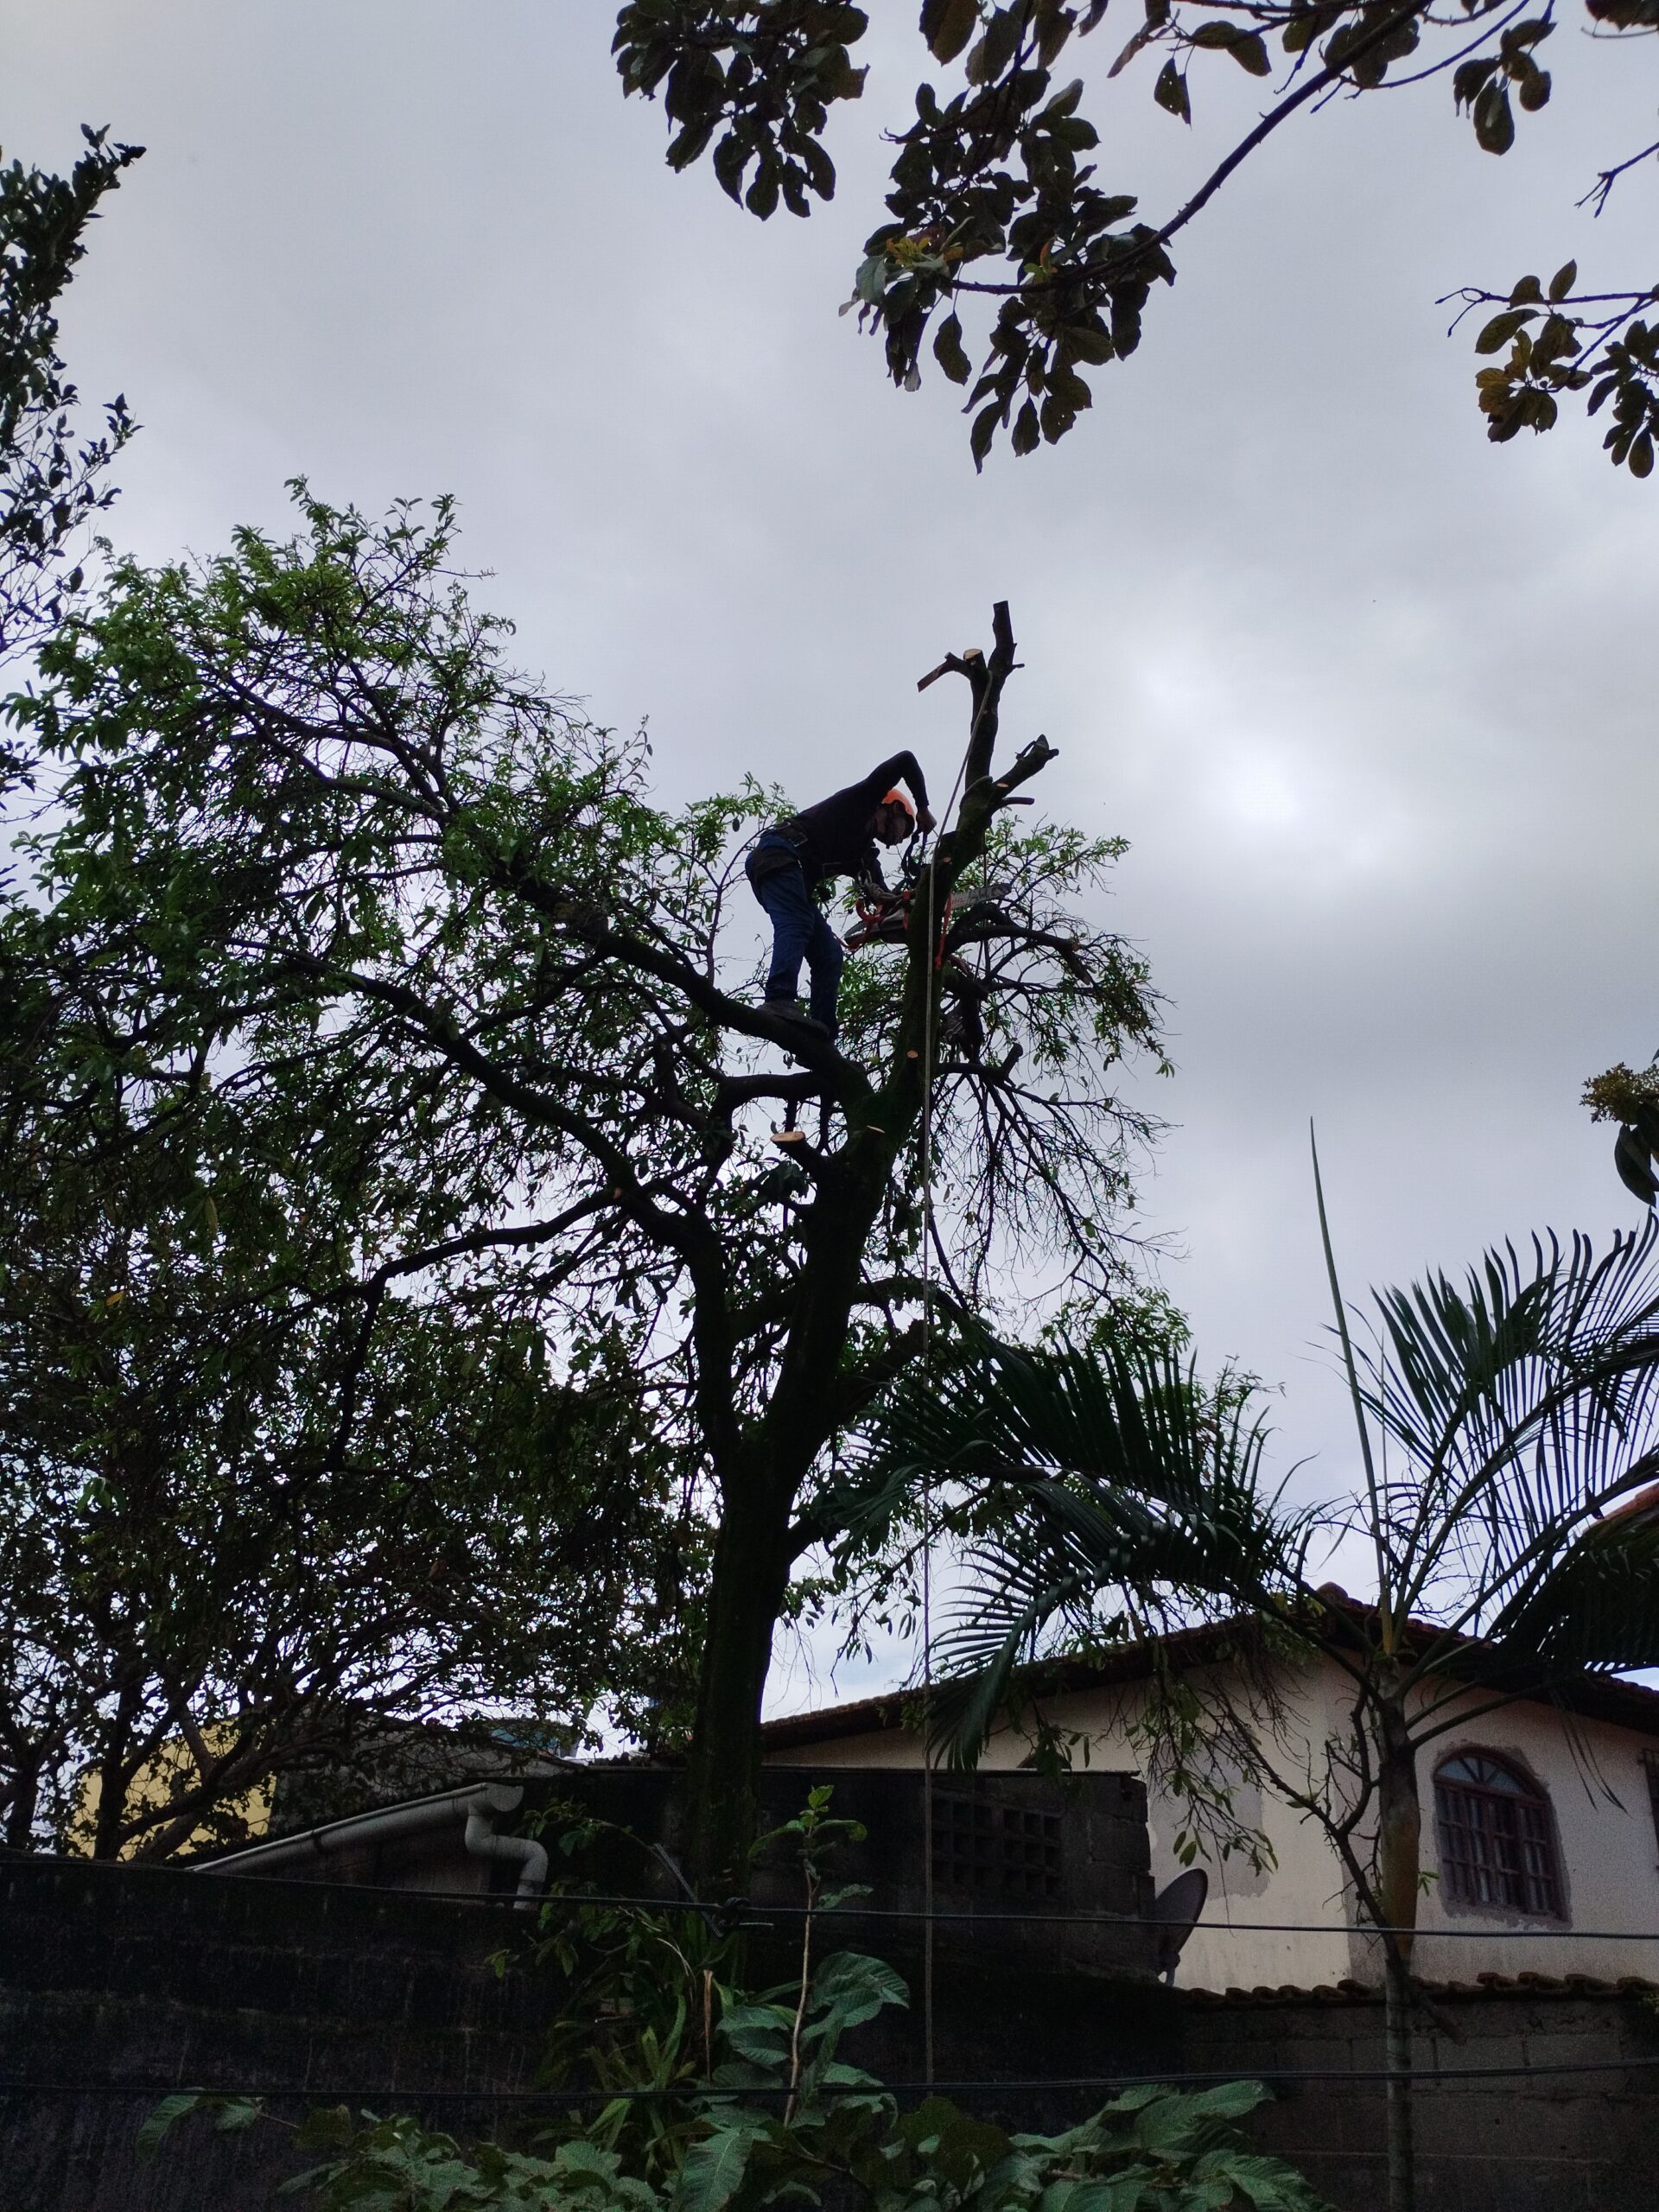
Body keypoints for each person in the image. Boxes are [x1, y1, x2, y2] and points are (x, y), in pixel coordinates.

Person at [747, 753, 937, 1040]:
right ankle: (779, 998)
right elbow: (906, 760)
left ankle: (820, 1034)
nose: (901, 837)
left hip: (789, 873)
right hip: (779, 853)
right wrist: (923, 807)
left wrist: (909, 906)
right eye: (905, 826)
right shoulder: (862, 802)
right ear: (893, 807)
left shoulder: (863, 856)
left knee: (829, 954)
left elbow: (884, 899)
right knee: (797, 923)